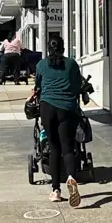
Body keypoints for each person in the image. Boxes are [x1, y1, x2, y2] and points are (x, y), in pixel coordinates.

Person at [27, 37, 83, 207]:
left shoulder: (42, 65)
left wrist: (34, 93)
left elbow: (38, 86)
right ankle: (72, 178)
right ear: (63, 48)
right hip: (67, 108)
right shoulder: (72, 64)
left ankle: (56, 190)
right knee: (68, 148)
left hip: (47, 108)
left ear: (49, 49)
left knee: (53, 148)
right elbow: (76, 86)